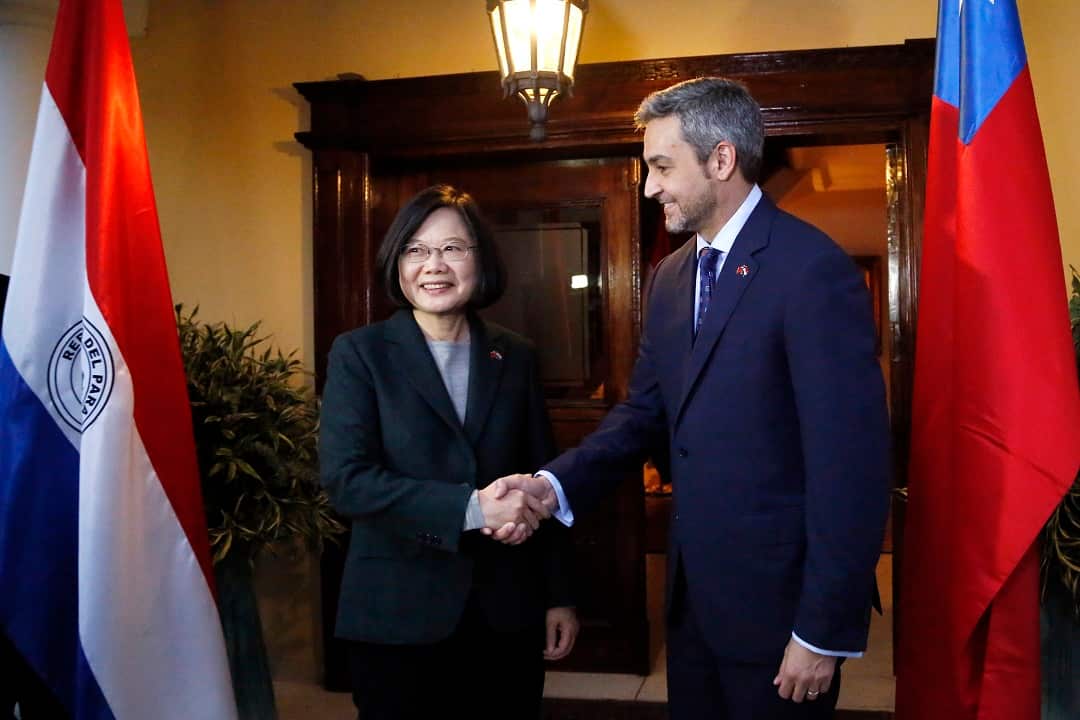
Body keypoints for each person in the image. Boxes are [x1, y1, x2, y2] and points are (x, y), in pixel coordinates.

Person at [496, 77, 891, 719]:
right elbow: (644, 413)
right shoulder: (671, 276)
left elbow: (851, 467)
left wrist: (823, 631)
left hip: (779, 613)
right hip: (693, 604)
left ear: (722, 159)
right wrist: (551, 487)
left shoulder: (810, 268)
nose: (650, 187)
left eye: (660, 166)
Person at [319, 184, 578, 720]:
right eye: (416, 250)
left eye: (452, 249)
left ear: (479, 261)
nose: (433, 265)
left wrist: (558, 594)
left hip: (506, 612)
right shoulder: (359, 355)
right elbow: (348, 481)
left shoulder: (516, 356)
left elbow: (543, 480)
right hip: (397, 615)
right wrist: (474, 508)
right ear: (397, 263)